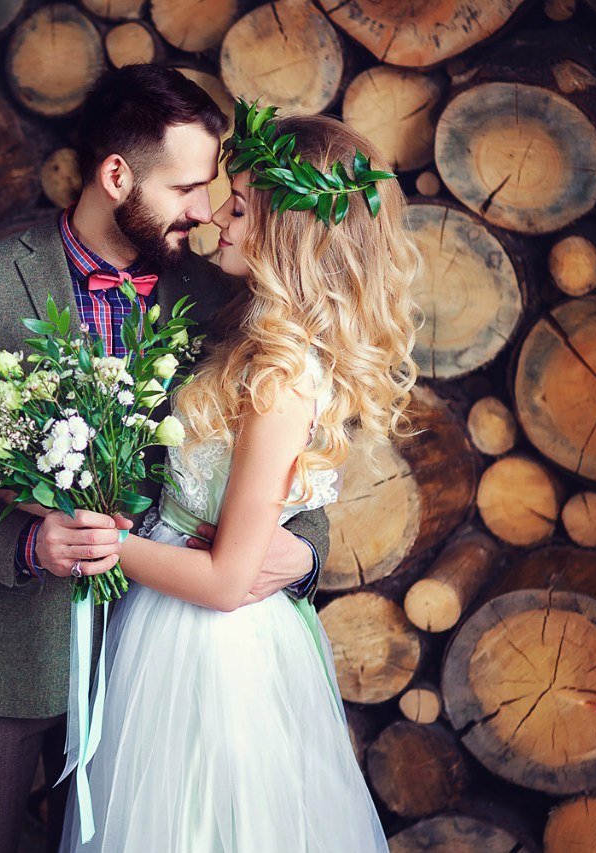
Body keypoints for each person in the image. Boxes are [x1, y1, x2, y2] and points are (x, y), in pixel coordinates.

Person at [0, 64, 332, 853]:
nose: (208, 211)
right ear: (117, 175)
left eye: (212, 188)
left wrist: (307, 551)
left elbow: (280, 462)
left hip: (157, 667)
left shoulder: (219, 298)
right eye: (186, 188)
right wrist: (24, 541)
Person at [56, 111, 422, 852]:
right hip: (168, 625)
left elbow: (228, 579)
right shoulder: (253, 337)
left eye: (240, 207)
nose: (216, 216)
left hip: (212, 644)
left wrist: (101, 543)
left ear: (288, 233)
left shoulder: (282, 378)